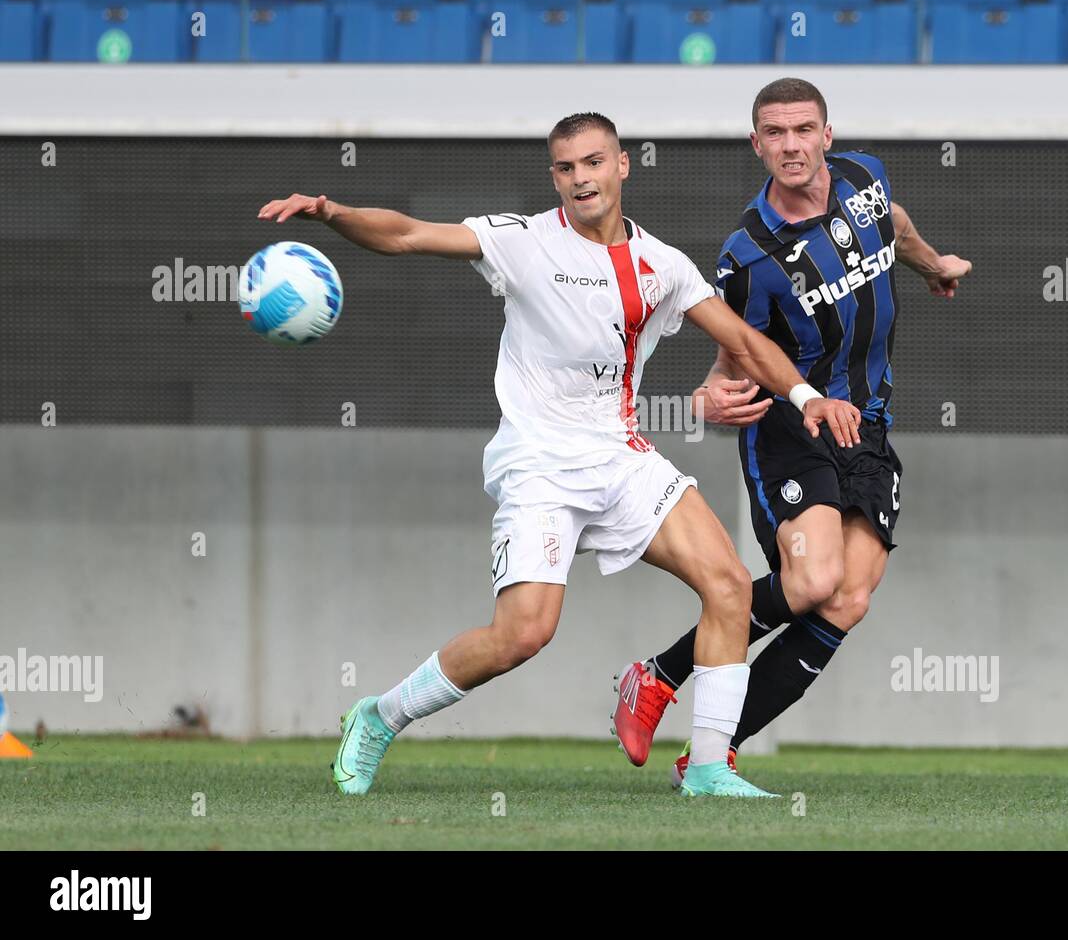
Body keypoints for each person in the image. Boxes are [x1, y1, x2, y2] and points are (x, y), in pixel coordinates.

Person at [257, 111, 861, 798]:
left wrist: (806, 395)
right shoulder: (522, 241)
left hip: (623, 458)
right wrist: (333, 212)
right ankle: (378, 716)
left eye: (594, 162)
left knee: (726, 583)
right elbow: (405, 235)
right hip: (540, 466)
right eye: (567, 168)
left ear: (623, 165)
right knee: (522, 635)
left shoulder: (662, 265)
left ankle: (709, 769)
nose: (581, 179)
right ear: (555, 177)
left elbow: (746, 343)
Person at [611, 79, 972, 784]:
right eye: (774, 133)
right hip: (790, 429)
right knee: (811, 581)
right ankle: (654, 676)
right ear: (757, 145)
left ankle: (711, 751)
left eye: (803, 129)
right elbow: (734, 352)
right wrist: (708, 398)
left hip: (866, 426)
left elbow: (891, 221)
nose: (791, 145)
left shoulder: (864, 178)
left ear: (828, 136)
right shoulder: (747, 254)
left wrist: (931, 264)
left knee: (849, 599)